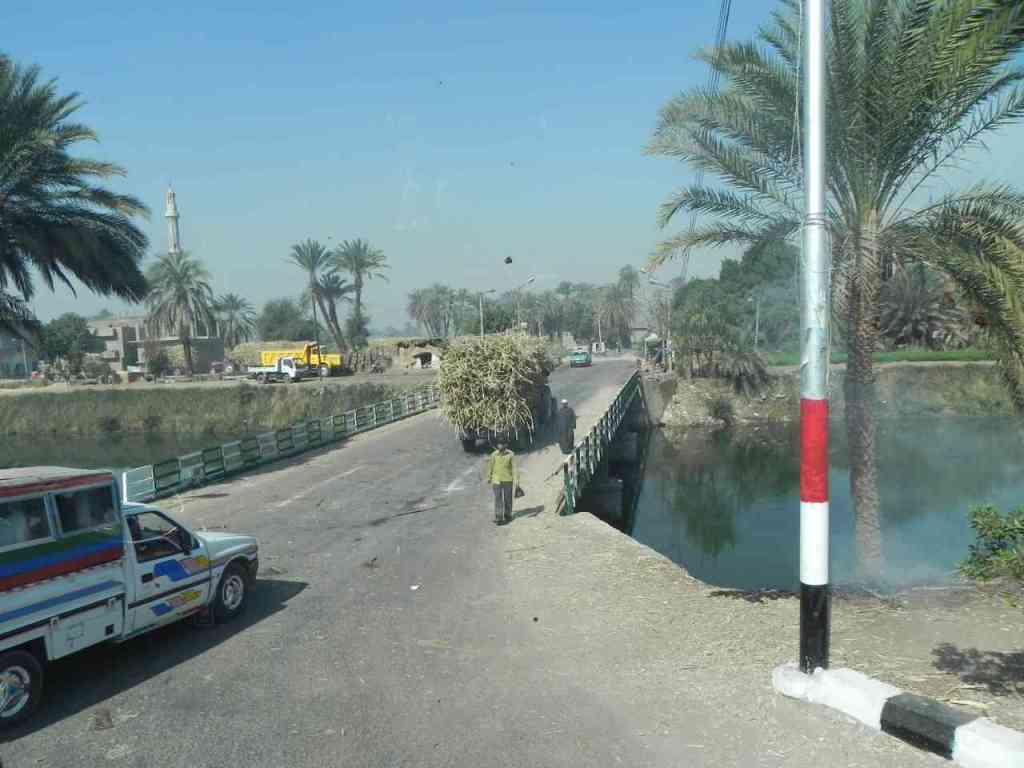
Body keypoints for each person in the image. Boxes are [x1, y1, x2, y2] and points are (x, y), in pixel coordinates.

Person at [485, 439, 517, 525]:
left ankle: (508, 515)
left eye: (502, 444)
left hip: (508, 480)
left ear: (506, 445)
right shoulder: (494, 454)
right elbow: (490, 466)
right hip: (496, 480)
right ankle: (499, 517)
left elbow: (514, 468)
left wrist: (517, 480)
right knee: (498, 499)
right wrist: (489, 477)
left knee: (508, 499)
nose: (500, 446)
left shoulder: (511, 454)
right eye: (499, 444)